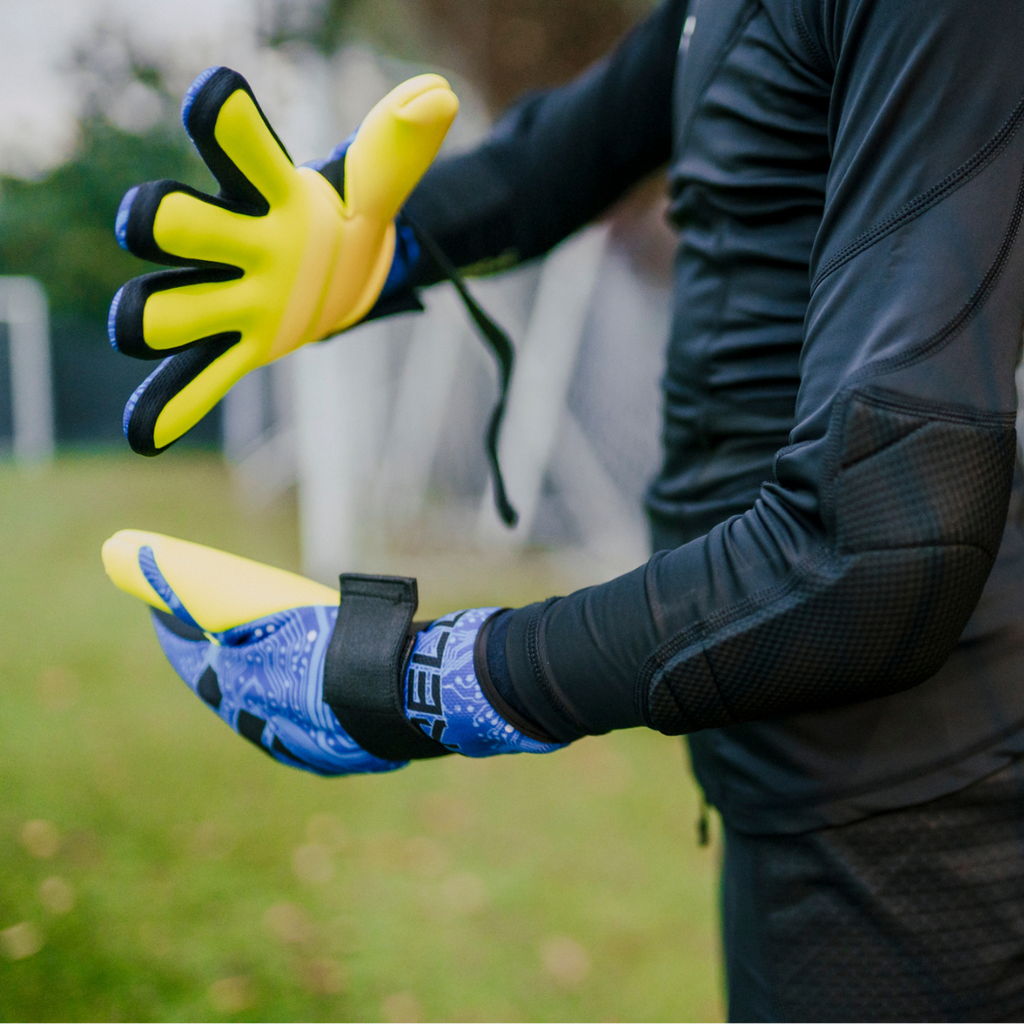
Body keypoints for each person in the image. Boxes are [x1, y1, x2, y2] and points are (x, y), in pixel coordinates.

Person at [106, 1, 1024, 1018]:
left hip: (932, 806)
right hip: (774, 764)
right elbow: (566, 148)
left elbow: (878, 543)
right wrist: (380, 242)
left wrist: (422, 679)